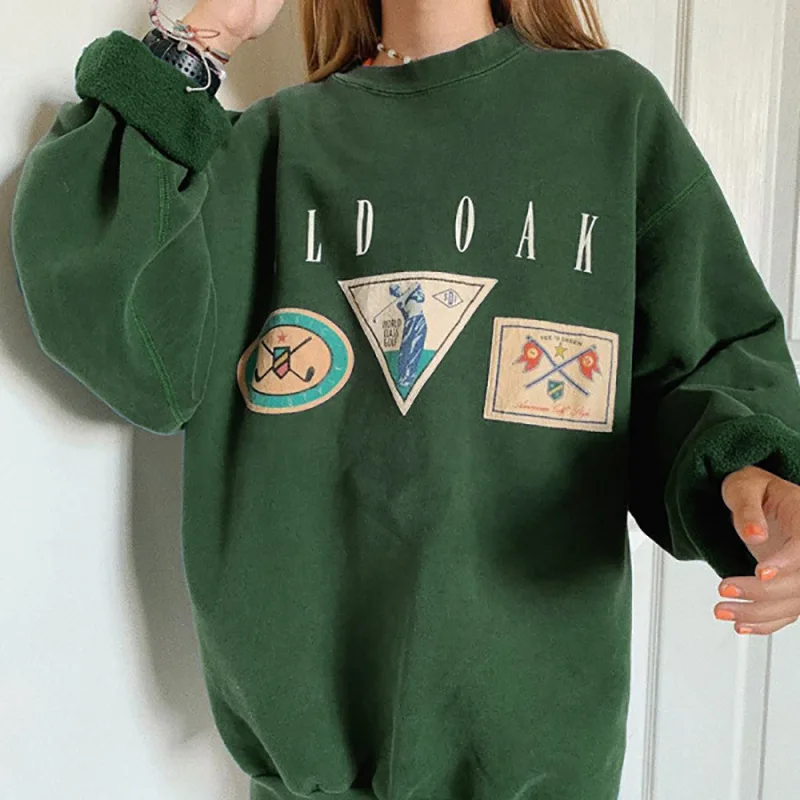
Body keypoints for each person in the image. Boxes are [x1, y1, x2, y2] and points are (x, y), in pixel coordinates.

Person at [10, 0, 800, 797]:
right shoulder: (263, 150)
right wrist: (207, 32)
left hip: (541, 763)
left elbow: (706, 356)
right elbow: (112, 324)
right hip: (310, 776)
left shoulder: (611, 116)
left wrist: (753, 476)